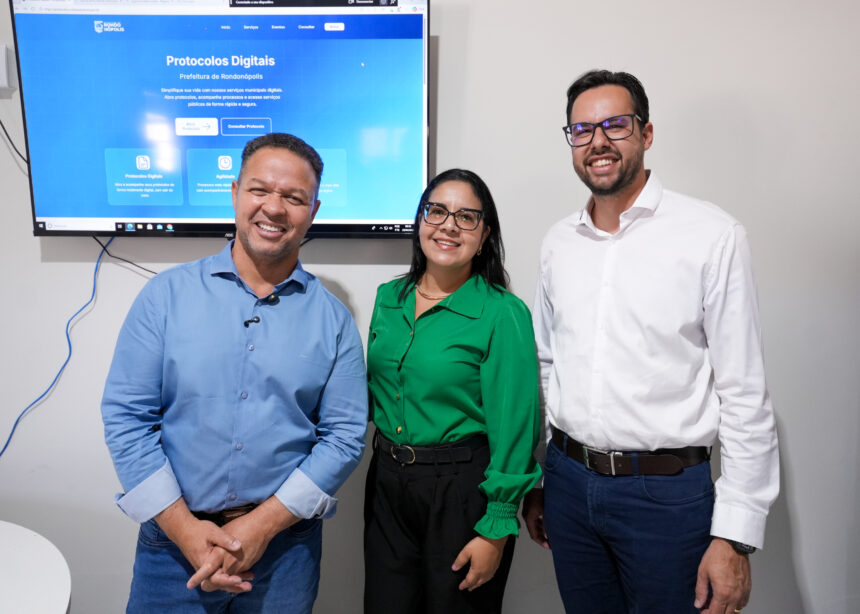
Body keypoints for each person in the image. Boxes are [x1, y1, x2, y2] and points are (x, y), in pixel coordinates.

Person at [523, 70, 780, 614]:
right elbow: (547, 364)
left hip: (666, 499)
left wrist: (735, 536)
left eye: (615, 125)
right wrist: (545, 474)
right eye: (582, 129)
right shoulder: (558, 243)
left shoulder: (712, 235)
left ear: (646, 133)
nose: (597, 141)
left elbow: (743, 391)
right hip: (568, 485)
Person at [101, 132, 368, 613]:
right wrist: (185, 531)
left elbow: (345, 437)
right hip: (171, 547)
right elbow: (126, 418)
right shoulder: (165, 297)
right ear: (234, 193)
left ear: (313, 210)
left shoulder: (333, 320)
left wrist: (261, 525)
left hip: (285, 550)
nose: (274, 208)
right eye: (260, 190)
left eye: (294, 197)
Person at [364, 169, 541, 614]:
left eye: (466, 217)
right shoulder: (388, 298)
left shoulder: (502, 313)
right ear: (420, 220)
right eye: (437, 211)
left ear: (484, 237)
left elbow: (516, 426)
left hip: (461, 491)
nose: (448, 225)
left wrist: (496, 526)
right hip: (387, 482)